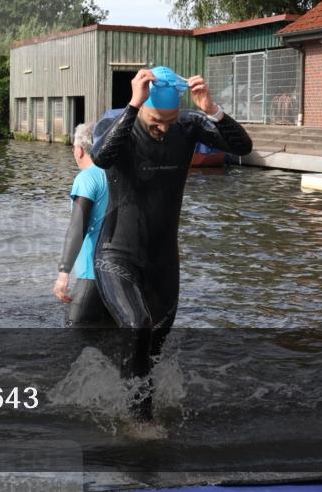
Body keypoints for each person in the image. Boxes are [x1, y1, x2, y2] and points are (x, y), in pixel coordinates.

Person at [90, 66, 252, 419]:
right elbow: (101, 157)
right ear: (141, 107)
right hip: (116, 254)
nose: (163, 128)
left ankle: (127, 399)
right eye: (155, 122)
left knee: (153, 350)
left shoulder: (189, 125)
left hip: (163, 262)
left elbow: (244, 147)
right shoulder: (116, 121)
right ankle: (140, 425)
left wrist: (212, 109)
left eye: (170, 120)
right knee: (137, 326)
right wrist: (134, 106)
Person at [52, 122, 111, 327]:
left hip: (91, 277)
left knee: (74, 344)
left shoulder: (86, 178)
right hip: (118, 278)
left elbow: (78, 226)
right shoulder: (115, 176)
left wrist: (63, 272)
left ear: (79, 150)